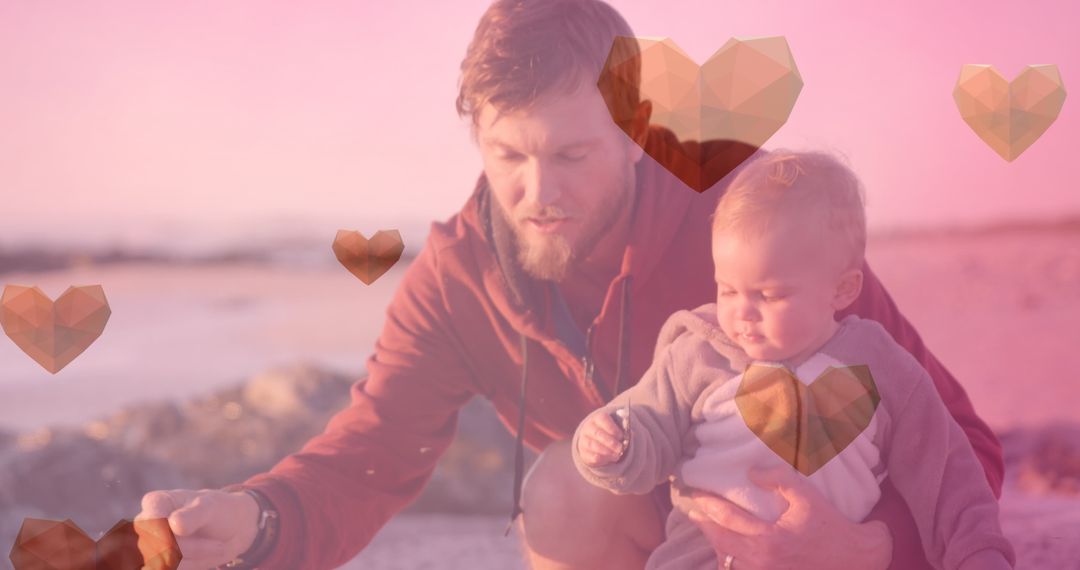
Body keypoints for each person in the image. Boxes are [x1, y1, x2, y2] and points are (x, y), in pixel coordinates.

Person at [135, 1, 1005, 568]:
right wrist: (257, 519)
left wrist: (867, 547)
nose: (537, 194)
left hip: (830, 540)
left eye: (572, 155)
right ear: (475, 137)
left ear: (635, 132)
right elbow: (369, 455)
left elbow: (964, 443)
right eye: (509, 156)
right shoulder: (458, 276)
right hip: (652, 540)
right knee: (561, 487)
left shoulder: (753, 221)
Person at [573, 151, 1015, 570]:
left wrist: (978, 555)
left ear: (842, 289)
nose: (741, 312)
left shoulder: (880, 366)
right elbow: (650, 423)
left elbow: (946, 474)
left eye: (769, 295)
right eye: (727, 289)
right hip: (704, 559)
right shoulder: (699, 354)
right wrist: (615, 441)